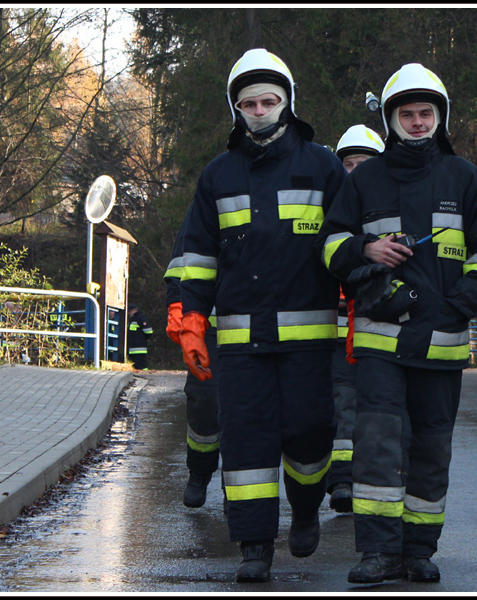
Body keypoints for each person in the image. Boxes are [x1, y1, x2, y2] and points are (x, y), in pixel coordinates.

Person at [317, 63, 477, 584]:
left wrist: (456, 306)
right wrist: (365, 247)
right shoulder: (367, 178)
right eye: (408, 113)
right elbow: (331, 245)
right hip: (380, 343)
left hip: (443, 343)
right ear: (391, 119)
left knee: (430, 448)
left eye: (426, 113)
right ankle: (377, 553)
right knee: (376, 445)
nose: (418, 121)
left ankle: (419, 549)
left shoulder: (465, 177)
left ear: (439, 118)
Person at [177, 48, 346, 583]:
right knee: (246, 441)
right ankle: (254, 545)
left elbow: (345, 243)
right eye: (248, 102)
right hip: (241, 341)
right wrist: (191, 322)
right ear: (236, 110)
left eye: (268, 100)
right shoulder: (218, 175)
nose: (259, 110)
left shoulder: (323, 166)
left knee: (310, 434)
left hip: (309, 341)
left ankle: (302, 509)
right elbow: (199, 257)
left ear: (288, 103)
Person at [326, 124, 385, 514]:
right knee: (342, 406)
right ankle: (343, 482)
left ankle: (371, 481)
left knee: (378, 410)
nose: (356, 170)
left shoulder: (388, 210)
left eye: (364, 163)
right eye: (349, 163)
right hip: (337, 334)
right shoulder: (333, 211)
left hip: (382, 330)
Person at [164, 209, 221, 510]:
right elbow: (180, 264)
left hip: (259, 328)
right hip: (207, 326)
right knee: (203, 401)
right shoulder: (215, 190)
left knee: (249, 411)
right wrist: (177, 308)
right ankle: (199, 472)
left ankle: (239, 494)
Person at [126, 304, 153, 370]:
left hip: (140, 348)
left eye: (129, 311)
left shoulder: (140, 318)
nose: (129, 313)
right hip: (133, 349)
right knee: (137, 367)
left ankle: (145, 376)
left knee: (142, 366)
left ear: (134, 310)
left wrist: (146, 338)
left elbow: (148, 331)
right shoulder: (133, 319)